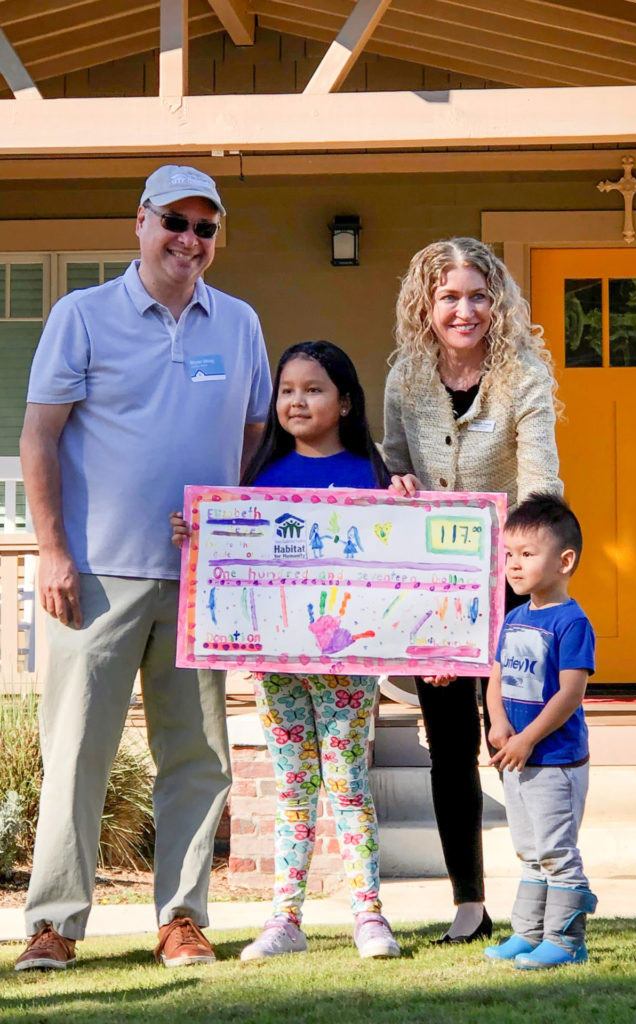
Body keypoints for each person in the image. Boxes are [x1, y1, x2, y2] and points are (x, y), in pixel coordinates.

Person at [14, 165, 272, 972]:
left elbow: (257, 432)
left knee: (198, 756)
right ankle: (54, 924)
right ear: (141, 222)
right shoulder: (81, 315)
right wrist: (53, 551)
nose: (189, 241)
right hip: (94, 576)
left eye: (206, 228)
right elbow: (39, 439)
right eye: (176, 223)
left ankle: (184, 918)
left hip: (201, 581)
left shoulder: (239, 324)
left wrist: (222, 521)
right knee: (79, 751)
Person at [172, 341, 400, 960]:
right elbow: (233, 558)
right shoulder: (254, 478)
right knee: (294, 785)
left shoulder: (375, 478)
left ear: (346, 402)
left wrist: (406, 504)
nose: (297, 401)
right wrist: (201, 534)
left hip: (348, 667)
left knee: (348, 782)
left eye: (314, 389)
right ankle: (284, 920)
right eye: (287, 390)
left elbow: (398, 566)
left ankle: (369, 916)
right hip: (277, 666)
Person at [383, 237, 563, 943]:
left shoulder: (524, 377)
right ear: (426, 304)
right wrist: (395, 485)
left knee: (518, 734)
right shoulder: (406, 378)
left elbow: (542, 481)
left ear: (499, 302)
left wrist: (530, 576)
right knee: (449, 741)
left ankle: (547, 887)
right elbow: (393, 468)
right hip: (436, 589)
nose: (466, 310)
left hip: (513, 581)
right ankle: (469, 901)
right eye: (450, 296)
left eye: (479, 296)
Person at [484, 493, 597, 969]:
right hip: (516, 755)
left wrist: (530, 738)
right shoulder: (513, 617)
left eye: (527, 554)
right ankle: (528, 935)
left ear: (565, 561)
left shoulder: (572, 622)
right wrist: (499, 723)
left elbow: (570, 694)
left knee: (555, 851)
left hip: (554, 762)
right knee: (529, 850)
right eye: (509, 554)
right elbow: (496, 678)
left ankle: (567, 942)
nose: (513, 564)